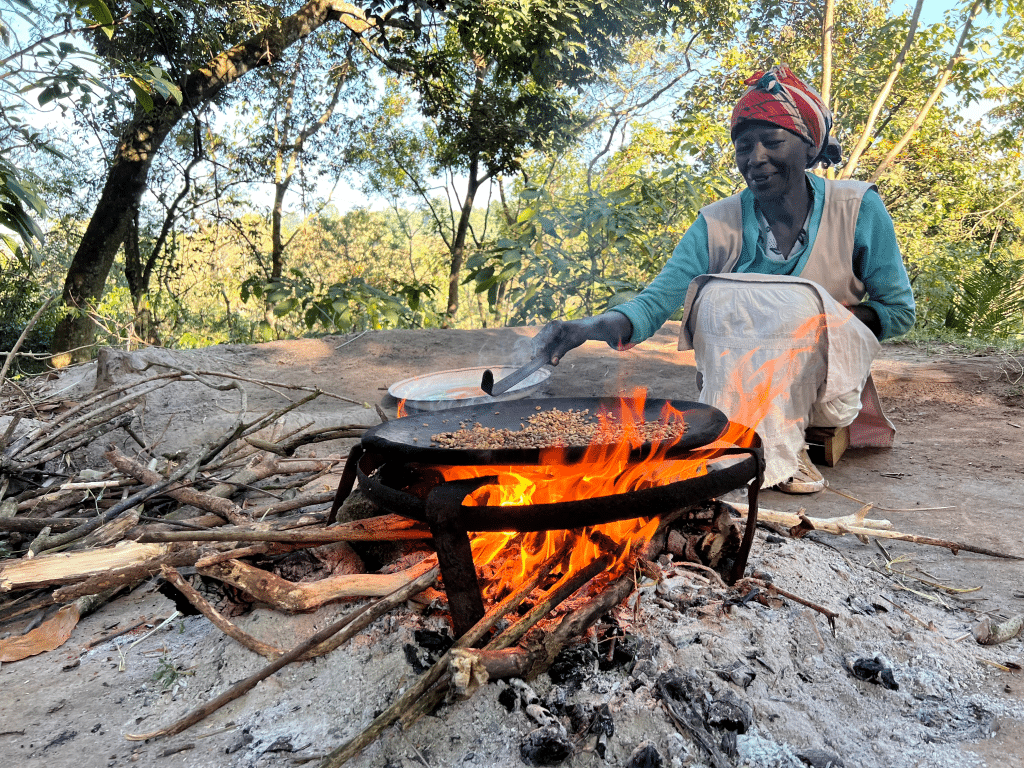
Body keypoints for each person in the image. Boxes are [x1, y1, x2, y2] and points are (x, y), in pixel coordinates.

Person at [533, 64, 916, 493]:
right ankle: (743, 442)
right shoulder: (718, 223)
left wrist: (823, 320)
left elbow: (898, 312)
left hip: (826, 394)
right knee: (714, 296)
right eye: (743, 146)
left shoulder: (858, 208)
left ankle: (784, 454)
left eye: (771, 142)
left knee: (789, 301)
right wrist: (589, 327)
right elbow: (658, 300)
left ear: (808, 148)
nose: (755, 158)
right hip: (734, 395)